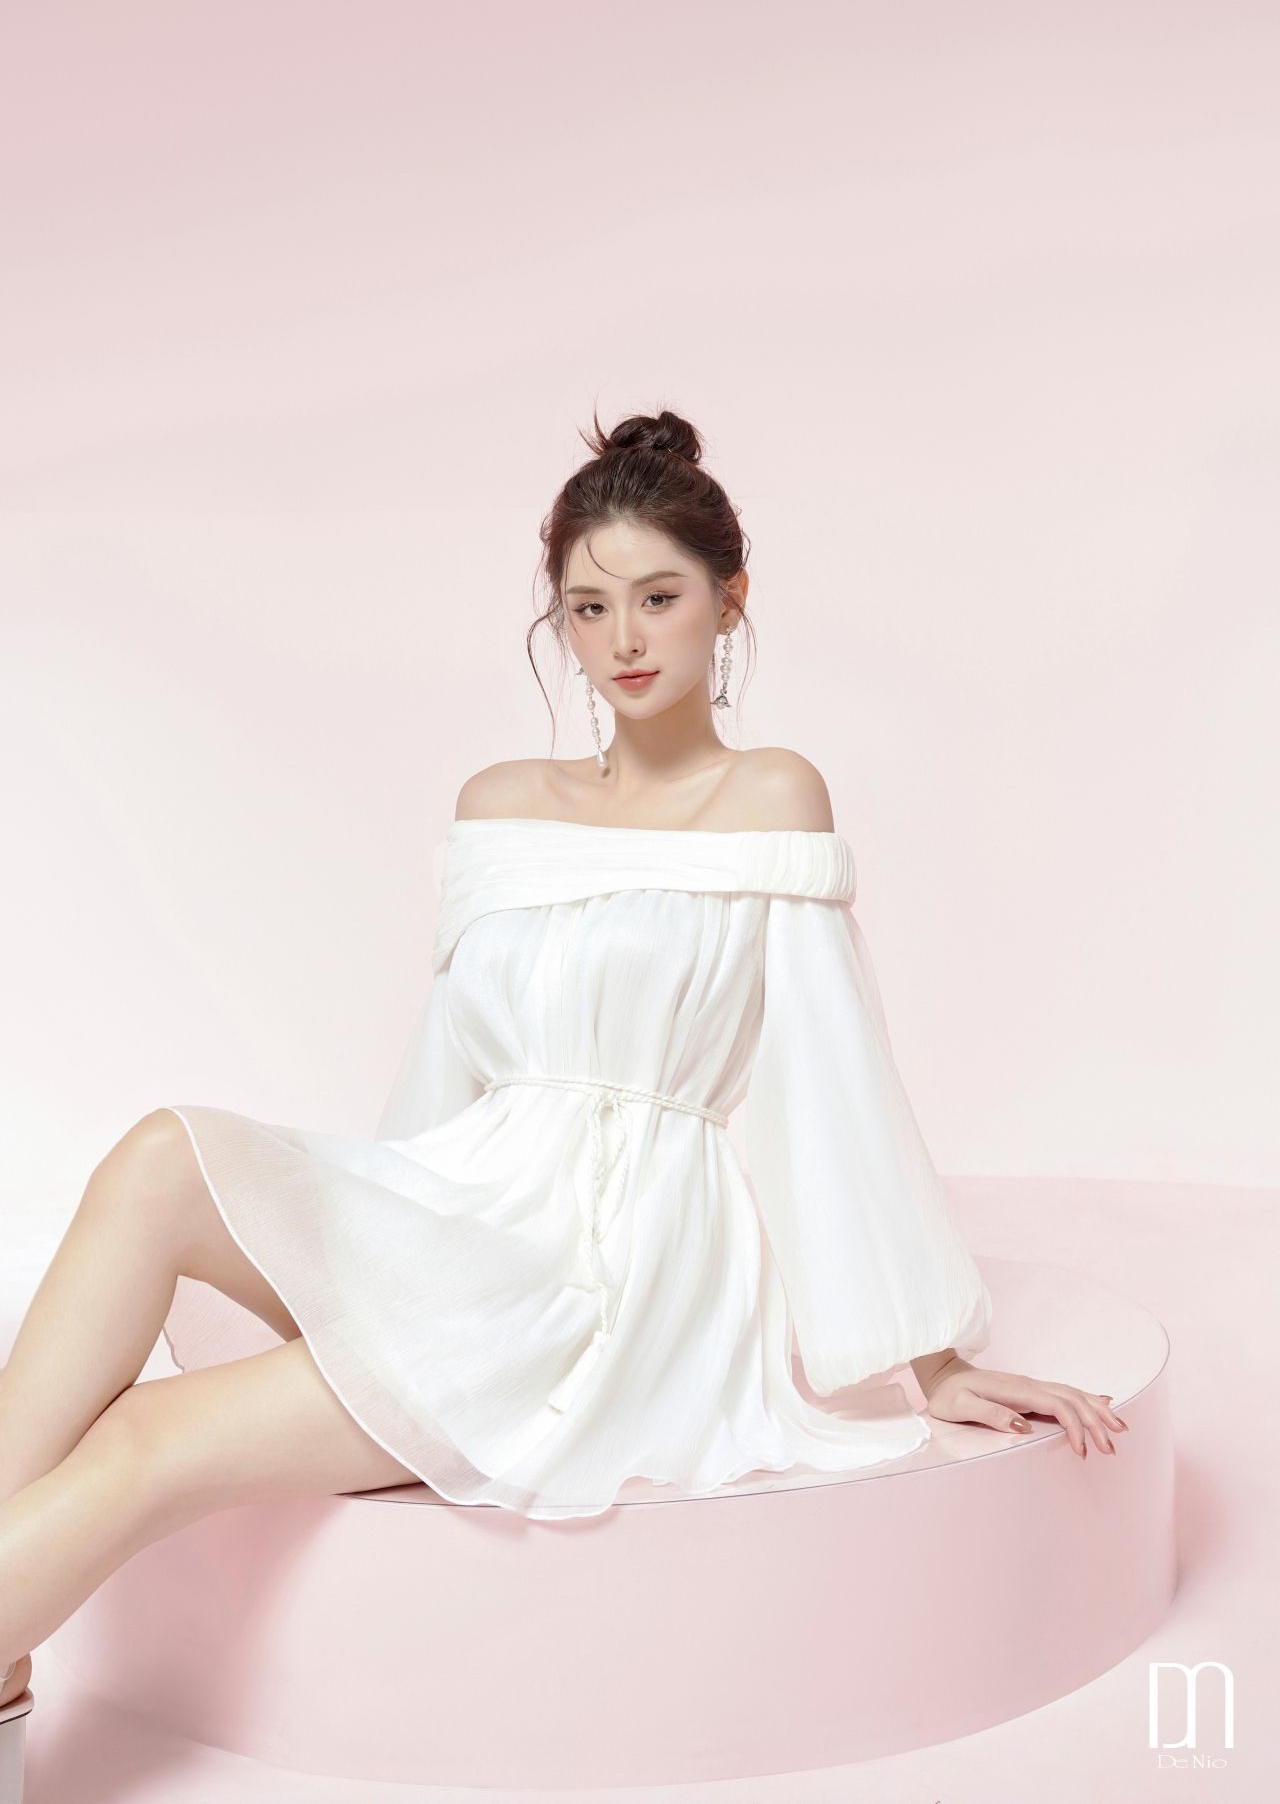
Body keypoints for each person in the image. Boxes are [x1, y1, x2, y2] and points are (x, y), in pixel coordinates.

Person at [0, 406, 1125, 1757]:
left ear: (730, 599)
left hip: (609, 1272)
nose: (625, 639)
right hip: (477, 1209)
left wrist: (930, 1356)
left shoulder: (772, 795)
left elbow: (836, 1076)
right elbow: (451, 1070)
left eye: (659, 597)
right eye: (589, 609)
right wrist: (361, 1276)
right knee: (158, 1153)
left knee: (143, 1444)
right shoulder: (499, 804)